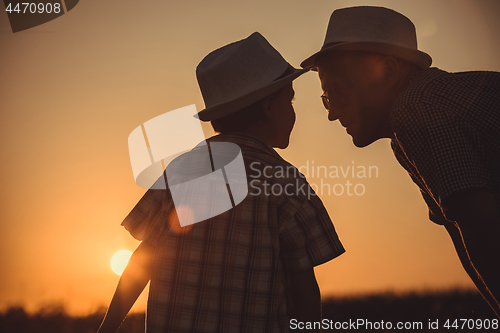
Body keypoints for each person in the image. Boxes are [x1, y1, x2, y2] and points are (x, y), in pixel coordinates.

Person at [97, 32, 345, 333]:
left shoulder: (180, 171)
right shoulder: (288, 184)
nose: (293, 111)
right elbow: (305, 292)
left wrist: (107, 328)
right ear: (268, 107)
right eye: (289, 100)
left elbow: (141, 263)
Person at [301, 5, 500, 317]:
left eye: (337, 93)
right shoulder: (410, 128)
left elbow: (484, 233)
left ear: (388, 72)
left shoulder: (415, 110)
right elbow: (460, 231)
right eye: (326, 98)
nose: (331, 113)